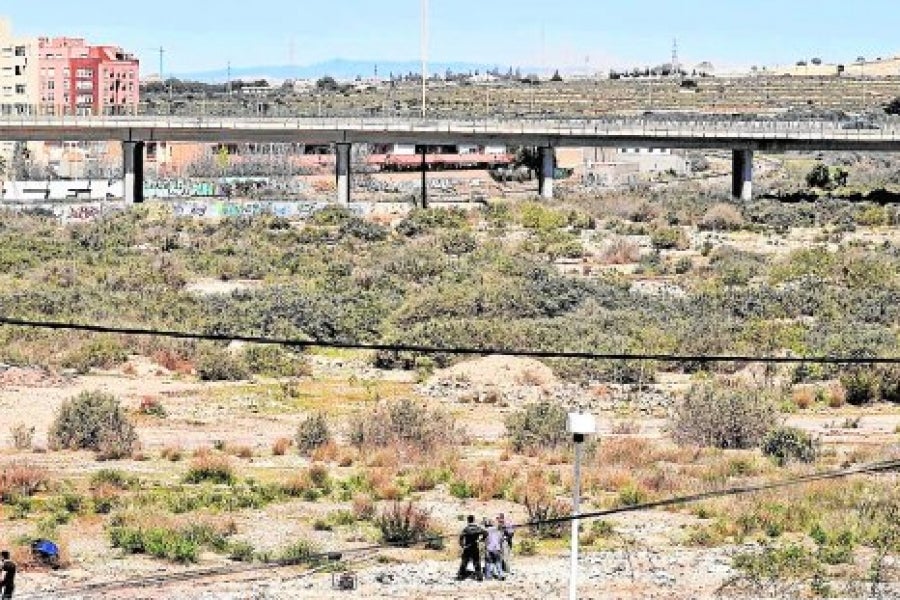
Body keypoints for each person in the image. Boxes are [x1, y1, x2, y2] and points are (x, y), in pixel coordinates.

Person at [456, 515, 486, 581]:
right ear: (473, 520)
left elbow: (461, 537)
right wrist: (481, 539)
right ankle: (479, 577)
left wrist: (462, 545)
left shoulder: (466, 528)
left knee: (464, 562)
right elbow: (485, 533)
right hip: (475, 547)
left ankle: (460, 576)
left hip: (467, 548)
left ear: (468, 520)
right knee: (477, 562)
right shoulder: (478, 528)